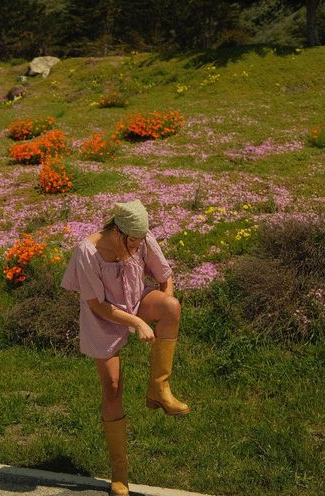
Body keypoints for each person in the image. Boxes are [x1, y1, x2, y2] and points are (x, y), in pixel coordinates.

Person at [61, 199, 189, 496]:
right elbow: (97, 304)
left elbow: (164, 278)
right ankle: (119, 473)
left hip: (134, 301)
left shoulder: (141, 237)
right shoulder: (88, 251)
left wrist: (157, 318)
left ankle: (159, 388)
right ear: (117, 232)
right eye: (133, 241)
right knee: (113, 387)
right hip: (102, 318)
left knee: (170, 306)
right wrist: (138, 324)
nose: (137, 246)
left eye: (140, 241)